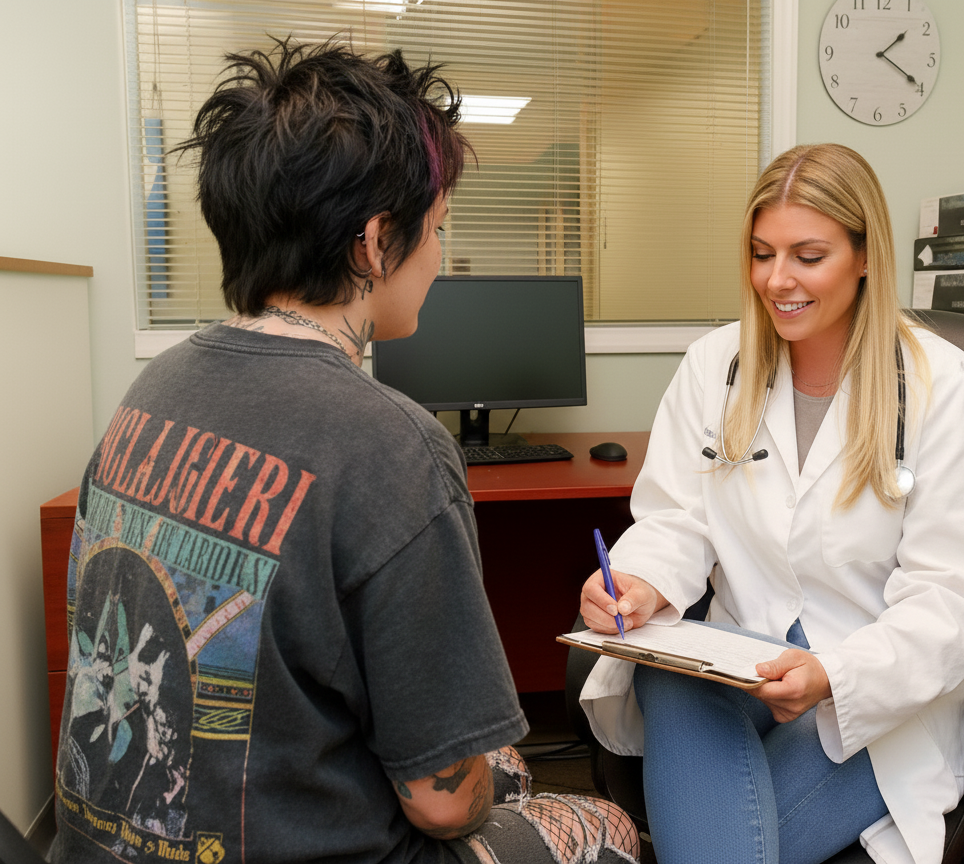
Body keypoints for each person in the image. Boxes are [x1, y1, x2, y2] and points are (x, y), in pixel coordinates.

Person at [50, 38, 638, 864]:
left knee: (500, 759)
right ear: (375, 242)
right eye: (436, 230)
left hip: (107, 844)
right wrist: (487, 788)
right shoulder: (396, 447)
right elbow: (442, 805)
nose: (439, 257)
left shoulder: (151, 391)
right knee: (599, 822)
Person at [577, 144, 964, 864]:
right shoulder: (714, 366)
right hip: (739, 660)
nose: (776, 280)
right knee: (663, 668)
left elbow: (957, 596)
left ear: (865, 256)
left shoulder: (945, 386)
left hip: (876, 692)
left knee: (718, 845)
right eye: (761, 254)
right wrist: (642, 582)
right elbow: (676, 518)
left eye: (808, 256)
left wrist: (836, 676)